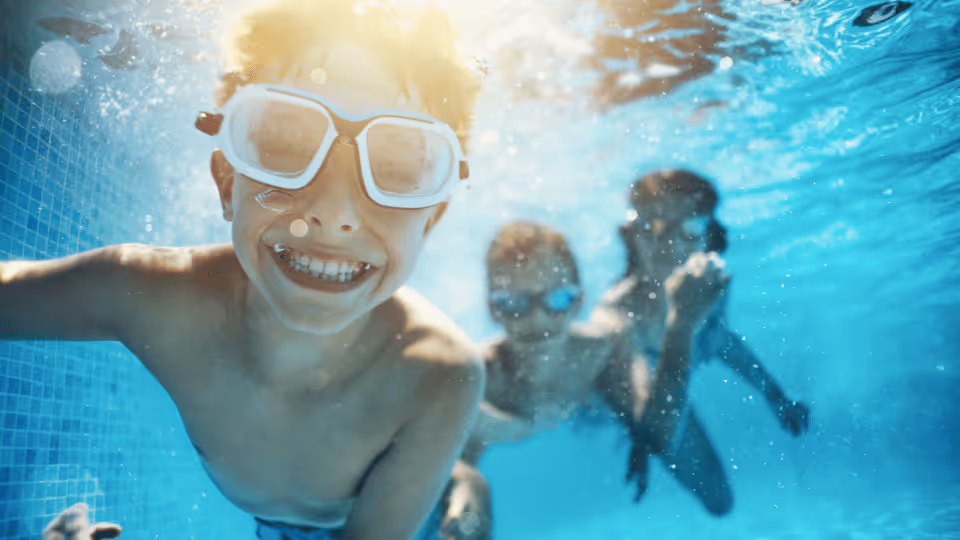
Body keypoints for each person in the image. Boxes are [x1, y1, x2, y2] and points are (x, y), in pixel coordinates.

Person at [3, 1, 485, 539]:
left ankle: (463, 480)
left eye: (397, 169)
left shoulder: (438, 374)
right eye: (285, 145)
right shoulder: (154, 299)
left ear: (432, 219)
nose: (334, 213)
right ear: (228, 183)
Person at [437, 222, 729, 539]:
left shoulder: (603, 347)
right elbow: (447, 466)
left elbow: (660, 435)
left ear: (579, 301)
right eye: (513, 303)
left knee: (720, 500)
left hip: (602, 403)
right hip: (574, 405)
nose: (538, 320)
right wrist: (468, 489)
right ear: (492, 309)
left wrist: (682, 326)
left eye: (557, 299)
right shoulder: (477, 379)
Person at [592, 168, 811, 515]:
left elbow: (720, 340)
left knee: (720, 501)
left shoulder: (709, 284)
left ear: (709, 235)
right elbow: (638, 406)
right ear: (634, 234)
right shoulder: (618, 312)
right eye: (654, 224)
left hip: (663, 397)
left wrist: (776, 397)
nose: (672, 241)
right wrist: (640, 437)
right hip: (606, 405)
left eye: (690, 225)